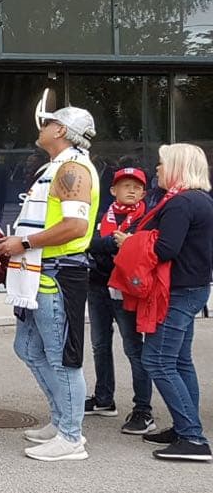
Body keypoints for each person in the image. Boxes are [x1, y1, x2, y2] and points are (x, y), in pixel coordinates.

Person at [0, 94, 100, 462]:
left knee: (61, 357)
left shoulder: (73, 169)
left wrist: (22, 241)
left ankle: (71, 436)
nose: (41, 127)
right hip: (41, 272)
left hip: (56, 272)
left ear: (61, 130)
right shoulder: (60, 167)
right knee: (29, 349)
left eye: (48, 122)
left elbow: (75, 225)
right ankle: (62, 421)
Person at [122, 144, 213, 462]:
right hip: (193, 288)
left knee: (157, 361)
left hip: (176, 291)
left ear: (177, 166)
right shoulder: (200, 199)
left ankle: (193, 438)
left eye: (161, 164)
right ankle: (185, 427)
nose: (156, 169)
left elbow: (166, 249)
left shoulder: (180, 203)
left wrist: (131, 242)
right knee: (179, 361)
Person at [84, 167, 156, 435]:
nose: (131, 190)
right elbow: (87, 243)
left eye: (137, 187)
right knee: (100, 345)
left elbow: (146, 248)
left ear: (144, 192)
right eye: (125, 185)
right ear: (113, 190)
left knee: (134, 349)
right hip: (98, 286)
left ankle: (143, 410)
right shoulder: (102, 216)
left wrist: (123, 244)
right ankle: (104, 398)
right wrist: (114, 244)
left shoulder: (147, 219)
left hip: (128, 291)